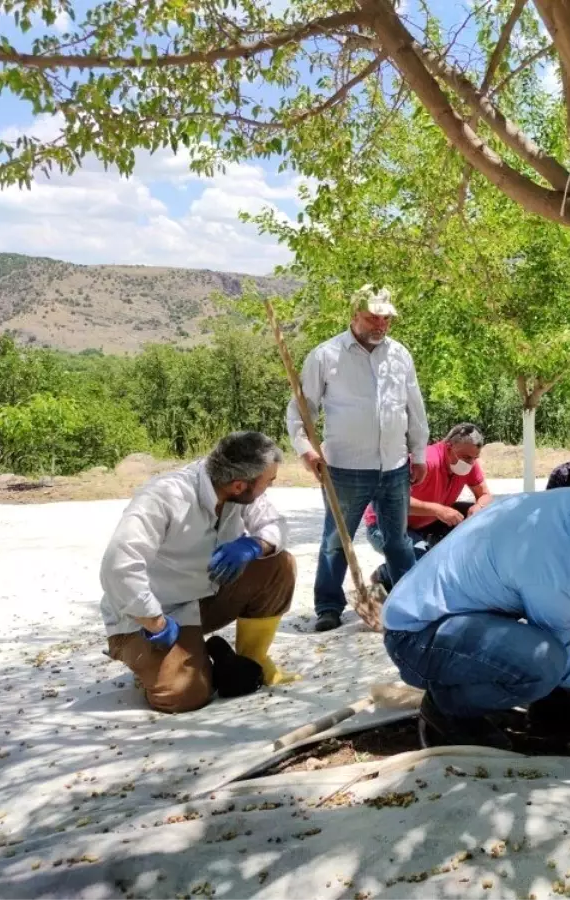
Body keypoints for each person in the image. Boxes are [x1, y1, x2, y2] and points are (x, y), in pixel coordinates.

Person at [382, 490, 570, 749]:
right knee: (543, 663)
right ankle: (447, 708)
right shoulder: (557, 575)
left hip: (455, 615)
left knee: (561, 635)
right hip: (417, 637)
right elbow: (561, 666)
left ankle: (555, 714)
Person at [99, 432, 298, 713]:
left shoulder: (237, 488)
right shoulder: (165, 496)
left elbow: (275, 525)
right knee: (182, 696)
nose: (269, 488)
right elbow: (117, 566)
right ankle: (161, 662)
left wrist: (255, 544)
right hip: (148, 618)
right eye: (269, 482)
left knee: (279, 564)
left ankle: (249, 659)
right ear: (239, 485)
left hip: (204, 598)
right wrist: (155, 622)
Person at [286, 284, 430, 632]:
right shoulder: (325, 356)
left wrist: (419, 452)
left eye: (386, 318)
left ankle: (413, 600)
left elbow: (414, 407)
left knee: (398, 540)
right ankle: (328, 606)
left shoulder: (400, 355)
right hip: (345, 469)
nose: (380, 324)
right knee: (337, 539)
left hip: (394, 466)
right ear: (354, 316)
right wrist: (306, 450)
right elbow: (301, 411)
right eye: (372, 317)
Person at [366, 422, 495, 589]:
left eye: (474, 458)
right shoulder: (425, 462)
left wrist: (479, 507)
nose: (470, 463)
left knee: (482, 520)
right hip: (384, 524)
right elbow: (391, 501)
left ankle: (439, 559)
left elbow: (485, 494)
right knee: (424, 567)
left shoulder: (469, 464)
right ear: (449, 448)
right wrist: (438, 510)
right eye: (466, 458)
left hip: (425, 522)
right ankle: (385, 574)